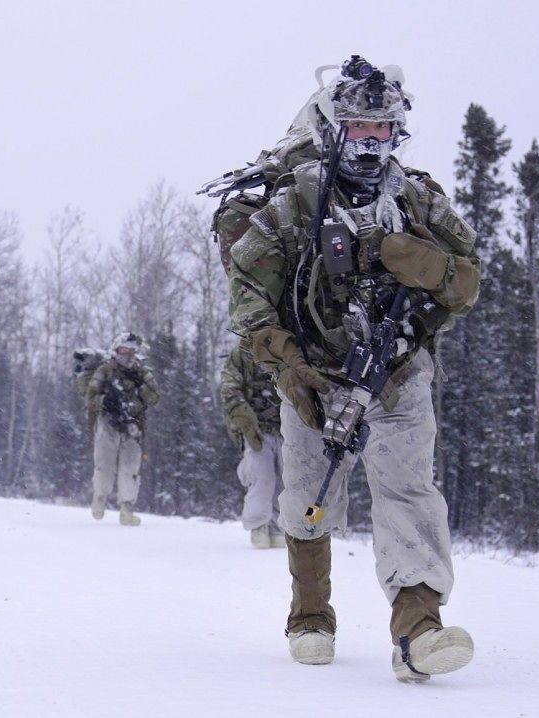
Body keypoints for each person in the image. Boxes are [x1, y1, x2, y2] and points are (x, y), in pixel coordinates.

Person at [224, 55, 480, 680]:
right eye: (358, 129)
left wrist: (408, 257)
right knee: (309, 489)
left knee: (407, 491)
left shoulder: (417, 200)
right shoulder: (295, 203)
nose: (369, 143)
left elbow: (466, 279)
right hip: (310, 374)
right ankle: (310, 616)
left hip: (397, 373)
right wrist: (288, 366)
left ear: (396, 133)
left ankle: (419, 627)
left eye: (381, 131)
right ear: (334, 127)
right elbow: (247, 295)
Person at [86, 332, 160, 527]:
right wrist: (106, 401)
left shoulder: (142, 372)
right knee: (104, 465)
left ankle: (126, 508)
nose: (126, 354)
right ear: (116, 350)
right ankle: (100, 497)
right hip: (108, 422)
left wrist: (137, 395)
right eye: (123, 350)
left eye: (130, 350)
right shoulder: (105, 370)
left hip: (133, 425)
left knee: (130, 468)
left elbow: (155, 395)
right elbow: (90, 398)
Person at [219, 339, 284, 549]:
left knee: (287, 479)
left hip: (287, 428)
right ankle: (259, 526)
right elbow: (230, 389)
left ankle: (280, 527)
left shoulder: (288, 346)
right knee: (262, 474)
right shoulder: (242, 354)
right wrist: (245, 421)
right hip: (256, 428)